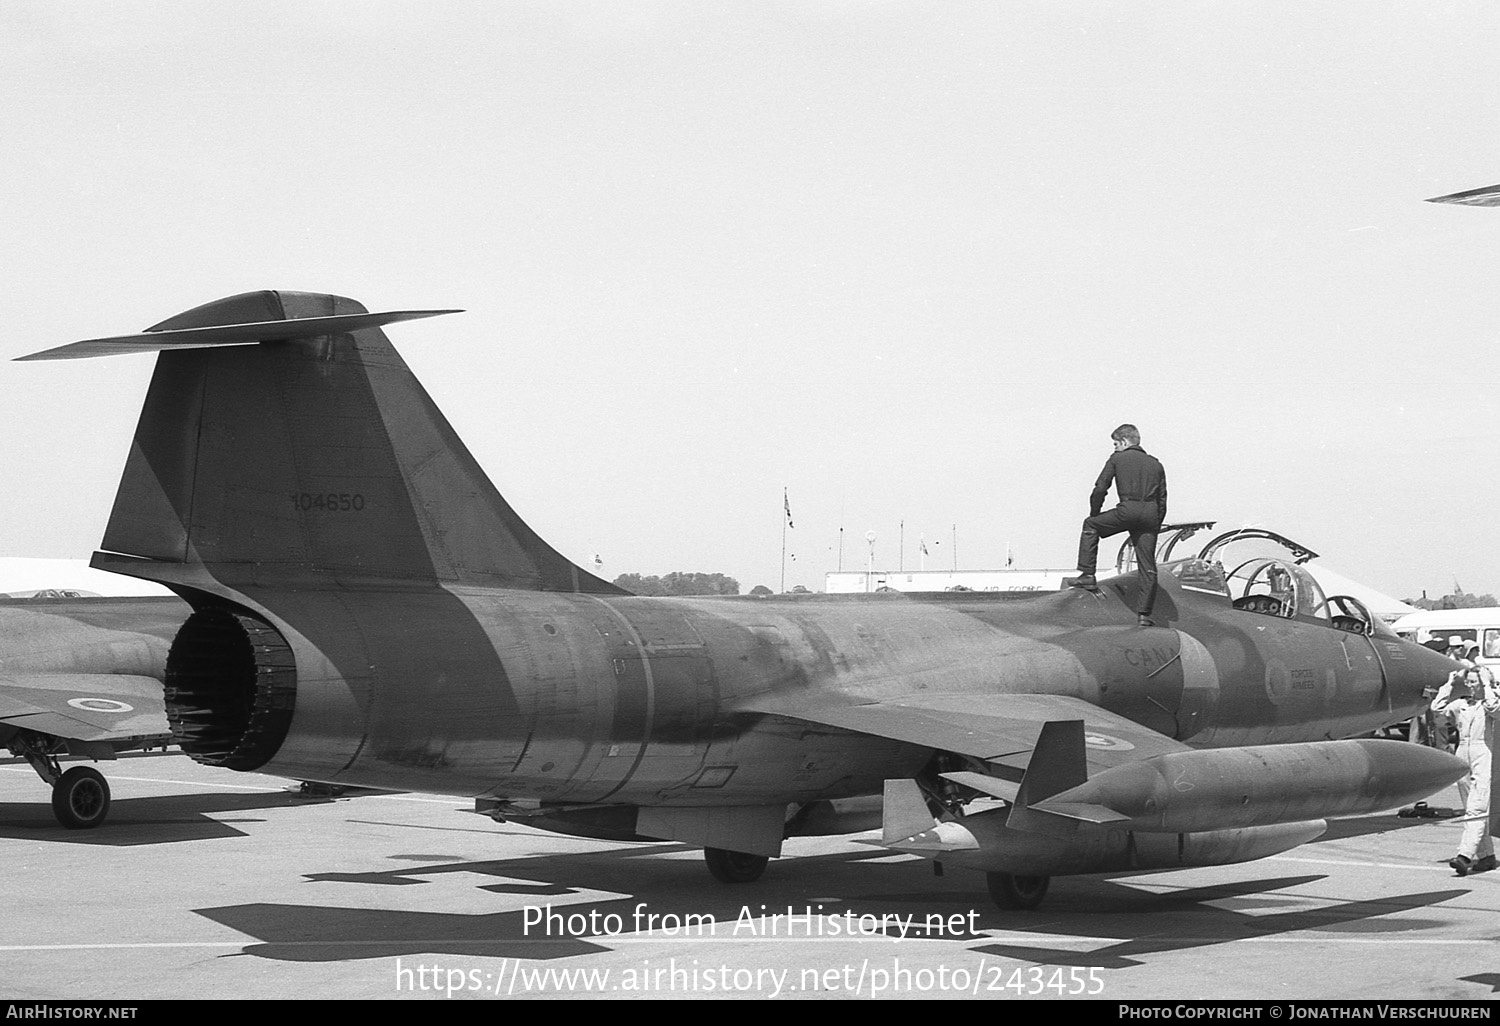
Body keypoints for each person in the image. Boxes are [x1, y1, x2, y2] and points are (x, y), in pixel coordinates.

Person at [1063, 425, 1168, 627]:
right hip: (1150, 515)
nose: (1114, 448)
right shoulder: (1155, 464)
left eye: (1115, 444)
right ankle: (1144, 615)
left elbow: (1100, 488)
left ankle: (1087, 575)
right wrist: (1156, 522)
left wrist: (1095, 514)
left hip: (1127, 508)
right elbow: (1162, 498)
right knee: (1147, 566)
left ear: (1124, 442)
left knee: (1090, 525)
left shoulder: (1117, 459)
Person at [1430, 665, 1499, 876]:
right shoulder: (1461, 705)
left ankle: (1464, 856)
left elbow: (1494, 710)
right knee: (1471, 806)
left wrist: (1487, 684)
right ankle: (1487, 857)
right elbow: (1438, 711)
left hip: (1485, 755)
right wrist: (1449, 685)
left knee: (1476, 809)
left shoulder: (1492, 701)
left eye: (1473, 681)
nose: (1469, 685)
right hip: (1463, 754)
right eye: (1467, 681)